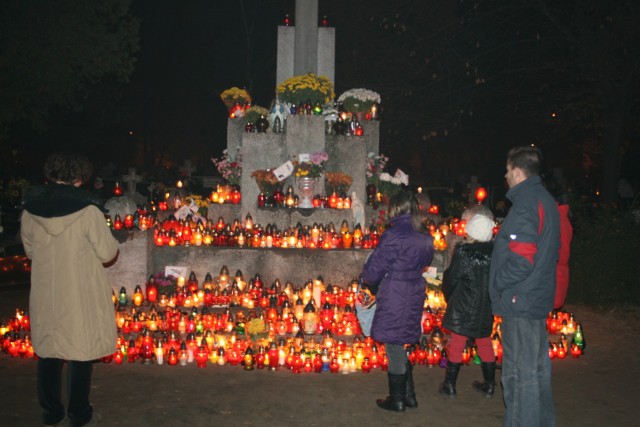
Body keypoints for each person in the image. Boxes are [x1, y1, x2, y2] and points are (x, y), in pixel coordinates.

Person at [21, 152, 119, 427]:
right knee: (80, 351)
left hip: (47, 290)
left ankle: (51, 412)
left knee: (49, 350)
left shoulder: (30, 210)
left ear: (50, 175)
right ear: (79, 177)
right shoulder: (88, 211)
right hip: (79, 290)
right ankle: (79, 413)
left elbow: (29, 250)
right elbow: (107, 251)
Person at [489, 146, 560, 426]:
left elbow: (521, 260)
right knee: (537, 370)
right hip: (535, 296)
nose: (505, 177)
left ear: (518, 172)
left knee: (519, 375)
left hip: (521, 299)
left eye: (507, 172)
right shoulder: (544, 199)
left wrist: (496, 282)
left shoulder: (527, 204)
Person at [361, 190, 434, 412]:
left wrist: (367, 279)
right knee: (400, 340)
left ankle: (397, 399)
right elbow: (426, 261)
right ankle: (409, 395)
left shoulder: (395, 235)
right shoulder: (424, 235)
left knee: (393, 342)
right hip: (413, 288)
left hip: (396, 289)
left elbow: (376, 266)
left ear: (396, 208)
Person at [439, 213, 496, 399]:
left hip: (463, 306)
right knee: (484, 342)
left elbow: (451, 279)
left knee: (457, 343)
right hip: (484, 307)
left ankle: (450, 384)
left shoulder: (464, 254)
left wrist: (449, 297)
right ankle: (489, 384)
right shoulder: (495, 255)